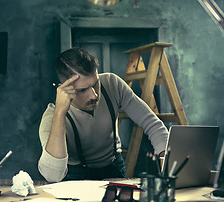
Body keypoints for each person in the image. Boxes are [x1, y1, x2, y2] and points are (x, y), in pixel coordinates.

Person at [38, 47, 168, 182]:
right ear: (63, 88)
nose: (93, 95)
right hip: (76, 177)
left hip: (114, 167)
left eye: (95, 84)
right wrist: (60, 113)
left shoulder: (112, 84)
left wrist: (168, 162)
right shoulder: (52, 116)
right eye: (82, 90)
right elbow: (53, 176)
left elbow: (152, 123)